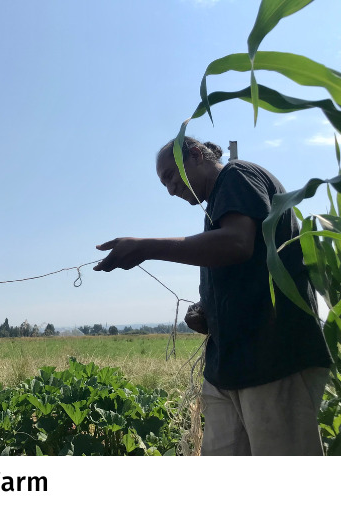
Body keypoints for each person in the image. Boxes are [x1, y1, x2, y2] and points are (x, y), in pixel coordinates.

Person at [94, 136, 331, 455]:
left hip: (273, 357)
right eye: (164, 183)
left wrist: (146, 247)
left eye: (170, 176)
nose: (170, 189)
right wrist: (208, 310)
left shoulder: (237, 175)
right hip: (230, 367)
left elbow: (237, 243)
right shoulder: (217, 207)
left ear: (195, 155)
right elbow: (246, 270)